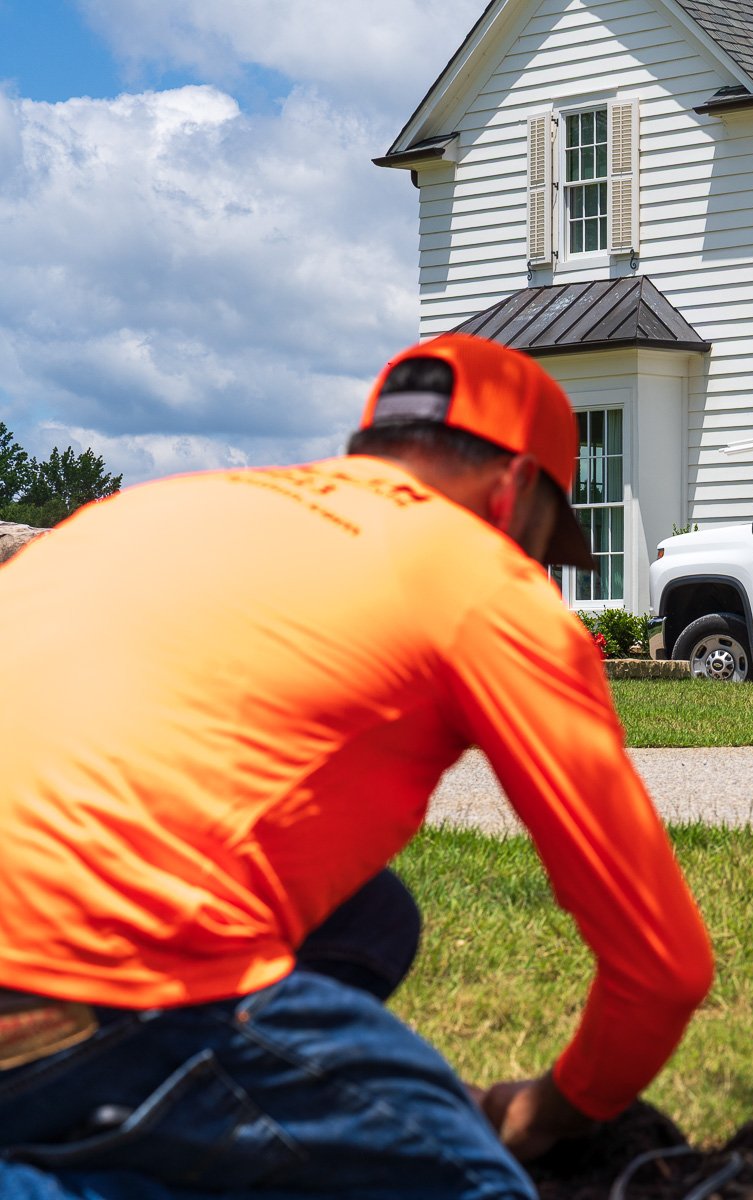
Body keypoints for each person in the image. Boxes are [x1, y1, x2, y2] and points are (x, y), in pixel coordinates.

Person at [0, 334, 714, 1199]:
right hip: (79, 987)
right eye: (543, 542)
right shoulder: (479, 577)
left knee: (371, 919)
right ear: (516, 490)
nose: (538, 569)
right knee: (477, 1187)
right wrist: (555, 1110)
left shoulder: (160, 508)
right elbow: (663, 966)